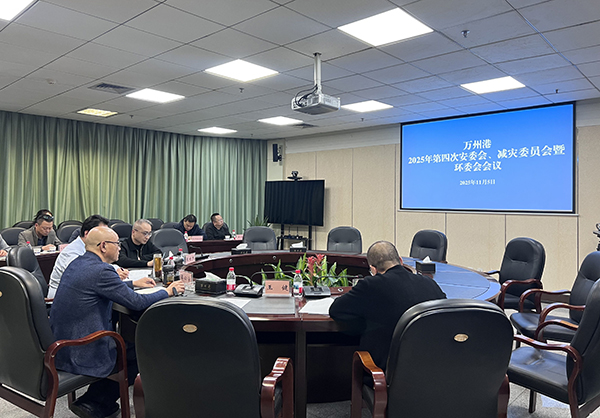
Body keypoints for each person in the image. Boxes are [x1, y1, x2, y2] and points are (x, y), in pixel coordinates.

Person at [50, 227, 185, 418]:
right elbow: (137, 303)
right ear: (104, 246)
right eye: (117, 244)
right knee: (143, 351)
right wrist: (168, 291)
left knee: (129, 343)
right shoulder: (101, 270)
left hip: (62, 343)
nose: (120, 248)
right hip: (83, 348)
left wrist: (133, 283)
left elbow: (99, 286)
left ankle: (95, 401)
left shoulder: (79, 262)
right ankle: (96, 402)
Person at [329, 240, 446, 372]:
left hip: (386, 374)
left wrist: (364, 324)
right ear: (400, 261)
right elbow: (445, 314)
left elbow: (336, 310)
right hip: (430, 373)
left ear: (373, 269)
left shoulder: (370, 285)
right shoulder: (429, 283)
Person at [48, 215, 130, 299]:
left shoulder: (94, 248)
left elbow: (99, 266)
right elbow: (89, 277)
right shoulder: (71, 252)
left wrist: (117, 269)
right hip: (62, 297)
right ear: (87, 234)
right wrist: (118, 276)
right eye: (102, 233)